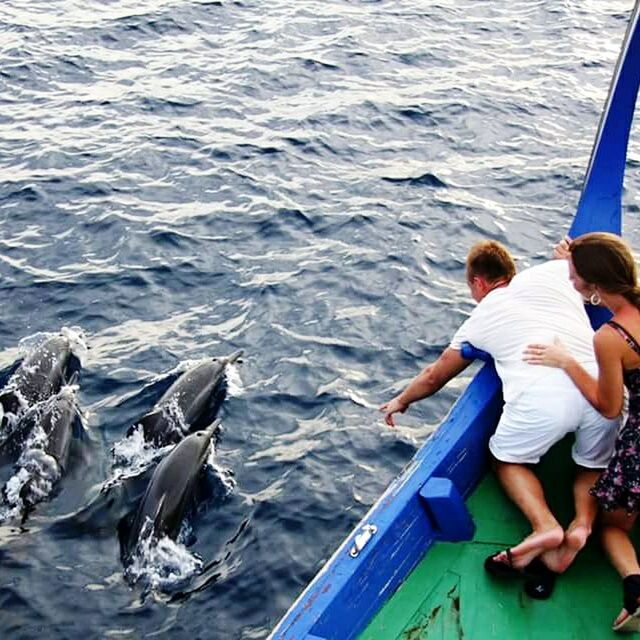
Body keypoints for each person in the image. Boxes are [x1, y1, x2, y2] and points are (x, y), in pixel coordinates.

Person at [381, 239, 620, 595]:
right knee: (591, 465)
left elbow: (435, 375)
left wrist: (400, 401)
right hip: (600, 387)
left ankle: (545, 527)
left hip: (544, 400)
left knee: (506, 459)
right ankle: (582, 525)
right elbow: (579, 264)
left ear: (478, 283)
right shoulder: (555, 273)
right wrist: (563, 255)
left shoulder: (481, 318)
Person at [523, 232, 640, 631]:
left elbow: (608, 407)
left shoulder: (611, 338)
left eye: (573, 276)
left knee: (614, 528)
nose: (569, 280)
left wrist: (566, 361)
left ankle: (635, 589)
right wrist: (576, 257)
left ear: (593, 286)